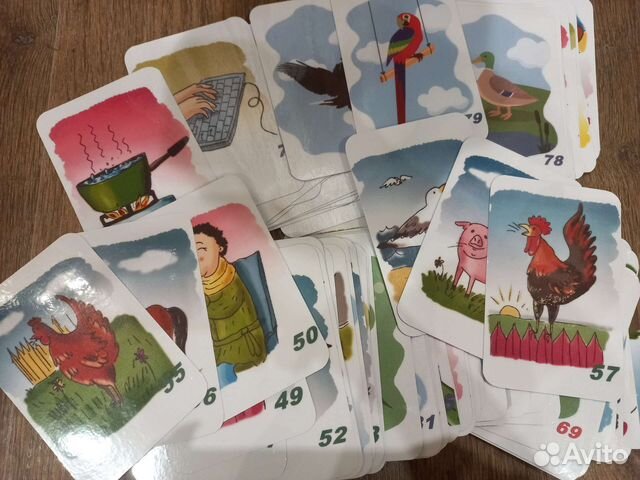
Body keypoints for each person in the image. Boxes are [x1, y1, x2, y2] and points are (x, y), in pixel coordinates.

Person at [193, 223, 267, 373]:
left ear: (219, 248)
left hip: (246, 349)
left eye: (202, 249)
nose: (197, 256)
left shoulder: (229, 277)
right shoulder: (199, 286)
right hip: (220, 353)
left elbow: (223, 308)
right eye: (192, 251)